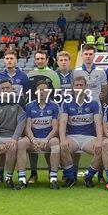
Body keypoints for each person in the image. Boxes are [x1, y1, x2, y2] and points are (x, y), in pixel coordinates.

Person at [59, 76, 108, 188]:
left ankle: (89, 177)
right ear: (73, 87)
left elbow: (98, 124)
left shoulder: (93, 103)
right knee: (60, 148)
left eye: (81, 85)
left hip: (88, 138)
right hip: (72, 137)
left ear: (85, 87)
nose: (79, 87)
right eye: (76, 85)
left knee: (101, 149)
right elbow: (62, 123)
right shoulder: (66, 103)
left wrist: (99, 140)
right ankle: (71, 178)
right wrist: (63, 140)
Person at [0, 50, 29, 183]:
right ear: (4, 60)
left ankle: (18, 174)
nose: (9, 60)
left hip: (17, 115)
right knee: (1, 147)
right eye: (6, 58)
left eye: (11, 58)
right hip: (3, 115)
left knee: (16, 145)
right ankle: (1, 174)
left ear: (16, 60)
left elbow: (26, 96)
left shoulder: (23, 76)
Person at [17, 81, 61, 190]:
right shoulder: (29, 106)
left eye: (44, 89)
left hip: (47, 139)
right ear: (36, 92)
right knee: (21, 143)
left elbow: (55, 127)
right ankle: (22, 179)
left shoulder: (54, 106)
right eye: (39, 90)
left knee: (55, 143)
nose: (42, 92)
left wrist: (45, 140)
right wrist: (33, 140)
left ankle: (53, 179)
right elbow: (27, 126)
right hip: (33, 139)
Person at [25, 50, 61, 183]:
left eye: (42, 58)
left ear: (47, 60)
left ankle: (51, 172)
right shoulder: (30, 74)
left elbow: (57, 93)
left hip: (48, 111)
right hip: (33, 110)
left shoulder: (53, 74)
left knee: (49, 146)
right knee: (32, 149)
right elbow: (27, 93)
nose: (40, 61)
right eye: (38, 58)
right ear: (35, 60)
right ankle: (33, 173)